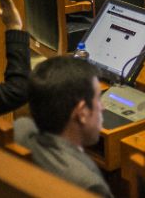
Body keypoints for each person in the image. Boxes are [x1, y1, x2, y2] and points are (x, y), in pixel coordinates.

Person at [14, 57, 113, 197]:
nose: (102, 108)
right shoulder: (90, 186)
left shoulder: (20, 130)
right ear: (82, 112)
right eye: (98, 99)